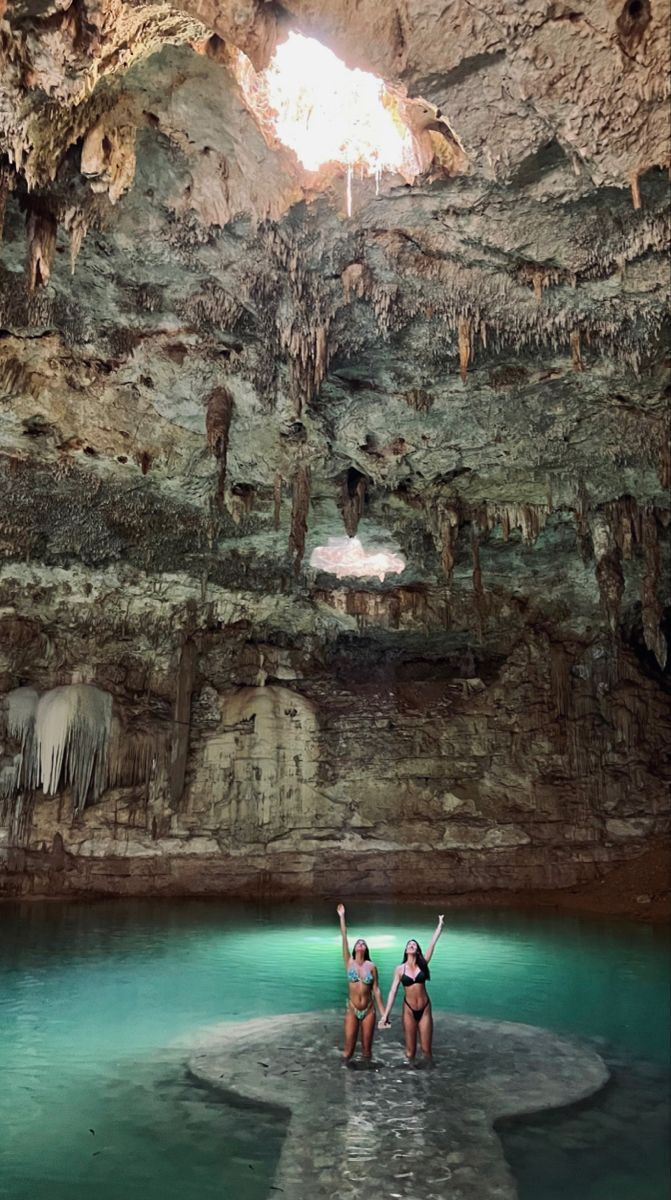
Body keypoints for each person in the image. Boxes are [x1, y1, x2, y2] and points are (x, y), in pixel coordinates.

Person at [379, 915, 444, 1061]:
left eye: (414, 944)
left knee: (427, 1050)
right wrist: (385, 1015)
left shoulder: (423, 964)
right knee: (410, 1052)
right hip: (409, 1010)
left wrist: (440, 925)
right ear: (406, 950)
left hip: (425, 1008)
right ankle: (411, 1079)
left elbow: (432, 944)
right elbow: (392, 991)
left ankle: (427, 1080)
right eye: (409, 944)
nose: (411, 945)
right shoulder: (400, 969)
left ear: (417, 950)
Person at [337, 903, 385, 1062]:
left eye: (363, 943)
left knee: (366, 1050)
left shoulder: (371, 966)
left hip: (369, 1010)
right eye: (358, 943)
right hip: (352, 1009)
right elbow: (344, 936)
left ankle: (366, 1084)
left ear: (366, 949)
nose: (360, 944)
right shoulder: (348, 962)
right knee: (348, 1050)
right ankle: (344, 1079)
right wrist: (342, 916)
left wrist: (384, 1013)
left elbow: (376, 990)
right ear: (354, 948)